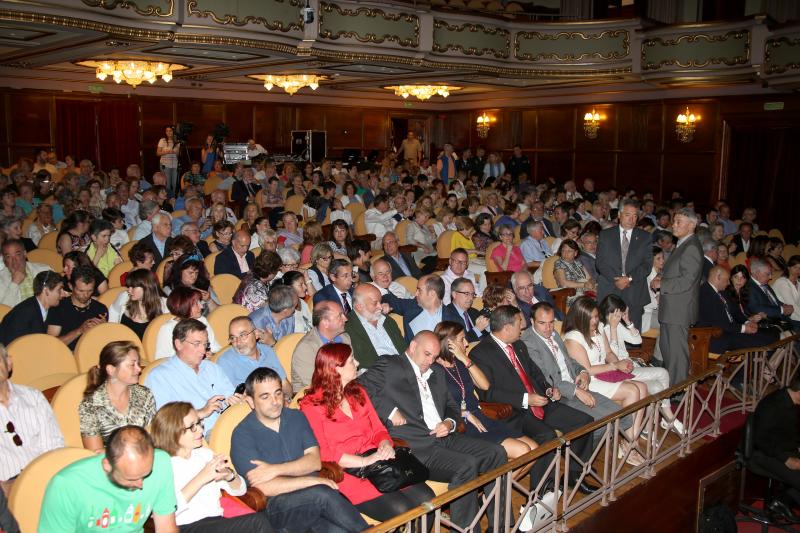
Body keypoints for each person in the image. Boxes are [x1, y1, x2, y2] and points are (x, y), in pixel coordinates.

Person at [359, 331, 507, 530]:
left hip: (444, 438)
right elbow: (357, 389)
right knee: (466, 465)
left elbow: (452, 406)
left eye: (434, 356)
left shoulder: (436, 371)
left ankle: (502, 525)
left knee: (496, 453)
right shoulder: (390, 365)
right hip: (417, 447)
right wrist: (389, 410)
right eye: (426, 354)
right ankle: (468, 529)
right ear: (412, 347)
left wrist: (448, 423)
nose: (430, 361)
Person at [299, 343, 434, 521]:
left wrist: (384, 444)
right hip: (348, 472)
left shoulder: (358, 392)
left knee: (428, 498)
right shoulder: (311, 405)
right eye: (351, 360)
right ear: (336, 368)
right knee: (402, 509)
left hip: (380, 463)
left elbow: (378, 429)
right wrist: (365, 460)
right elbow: (324, 452)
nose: (357, 363)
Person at [468, 305, 596, 490]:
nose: (523, 326)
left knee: (584, 422)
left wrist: (548, 389)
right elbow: (488, 393)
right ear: (507, 328)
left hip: (540, 401)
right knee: (546, 435)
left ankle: (575, 477)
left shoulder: (519, 345)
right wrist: (526, 399)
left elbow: (535, 374)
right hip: (513, 411)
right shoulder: (480, 353)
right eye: (520, 322)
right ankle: (543, 490)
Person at [231, 367, 368, 532]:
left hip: (316, 500)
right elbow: (264, 486)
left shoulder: (296, 417)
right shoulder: (242, 435)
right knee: (323, 494)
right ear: (251, 401)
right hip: (278, 506)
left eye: (278, 393)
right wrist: (311, 481)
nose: (275, 401)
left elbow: (314, 461)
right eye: (265, 396)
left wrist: (275, 470)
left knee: (339, 530)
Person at [150, 401, 274, 532]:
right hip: (185, 526)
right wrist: (202, 477)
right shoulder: (162, 464)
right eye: (192, 427)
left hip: (216, 521)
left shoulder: (204, 454)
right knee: (257, 523)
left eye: (199, 423)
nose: (200, 430)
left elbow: (241, 491)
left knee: (260, 520)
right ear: (173, 432)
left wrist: (229, 476)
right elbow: (164, 512)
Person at [521, 302, 630, 445]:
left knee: (624, 416)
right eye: (542, 323)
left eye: (551, 322)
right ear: (532, 321)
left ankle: (602, 450)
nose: (548, 328)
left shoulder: (553, 334)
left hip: (576, 385)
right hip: (560, 396)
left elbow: (570, 360)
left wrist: (583, 372)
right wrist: (576, 391)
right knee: (600, 425)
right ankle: (583, 461)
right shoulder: (528, 343)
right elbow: (545, 379)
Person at [39, 426, 178, 531]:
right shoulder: (66, 485)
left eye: (146, 474)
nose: (141, 484)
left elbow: (166, 527)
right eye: (131, 479)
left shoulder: (161, 463)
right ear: (107, 465)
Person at [563, 297, 647, 465]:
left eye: (596, 316)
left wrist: (619, 364)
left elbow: (608, 352)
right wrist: (615, 366)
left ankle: (630, 441)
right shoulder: (573, 338)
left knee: (642, 387)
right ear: (580, 317)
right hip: (589, 380)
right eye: (591, 317)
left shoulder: (599, 327)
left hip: (605, 373)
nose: (595, 320)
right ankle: (628, 446)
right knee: (632, 391)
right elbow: (587, 370)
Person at [434, 322, 538, 458]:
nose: (466, 343)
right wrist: (465, 414)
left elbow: (484, 385)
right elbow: (438, 407)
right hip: (463, 424)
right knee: (523, 451)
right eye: (462, 339)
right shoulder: (435, 371)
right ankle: (497, 480)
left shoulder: (461, 363)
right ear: (449, 344)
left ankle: (499, 480)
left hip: (481, 417)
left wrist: (465, 359)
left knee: (534, 449)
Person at [598, 294, 685, 434]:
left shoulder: (618, 325)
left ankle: (645, 427)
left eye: (621, 314)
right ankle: (669, 418)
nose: (620, 316)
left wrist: (628, 323)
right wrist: (613, 329)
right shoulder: (601, 328)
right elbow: (612, 358)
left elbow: (637, 341)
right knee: (663, 373)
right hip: (619, 371)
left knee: (656, 387)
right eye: (619, 313)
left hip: (630, 366)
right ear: (610, 312)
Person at [146, 318, 242, 437]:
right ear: (178, 344)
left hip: (231, 426)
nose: (203, 350)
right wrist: (201, 412)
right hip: (196, 437)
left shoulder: (213, 368)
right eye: (197, 344)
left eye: (205, 344)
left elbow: (230, 397)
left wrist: (236, 401)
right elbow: (164, 423)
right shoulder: (159, 376)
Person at [0, 343, 64, 496]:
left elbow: (54, 448)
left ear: (8, 363)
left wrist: (39, 478)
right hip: (6, 491)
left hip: (45, 480)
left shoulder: (33, 397)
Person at [79, 341, 156, 452]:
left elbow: (153, 438)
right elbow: (96, 453)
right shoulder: (91, 405)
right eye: (132, 364)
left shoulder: (145, 395)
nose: (139, 369)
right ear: (111, 369)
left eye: (138, 364)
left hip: (144, 457)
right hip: (110, 466)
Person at [657, 208, 703, 384]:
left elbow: (687, 281)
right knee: (669, 350)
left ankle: (678, 390)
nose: (673, 225)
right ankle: (673, 386)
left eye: (678, 222)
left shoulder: (690, 247)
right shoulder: (684, 243)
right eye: (674, 221)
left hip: (679, 309)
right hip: (673, 308)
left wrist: (663, 284)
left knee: (677, 353)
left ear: (692, 225)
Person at [595, 199, 653, 329]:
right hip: (610, 288)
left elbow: (646, 265)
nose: (631, 219)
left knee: (632, 335)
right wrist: (617, 279)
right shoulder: (605, 235)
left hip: (634, 290)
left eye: (634, 216)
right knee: (607, 332)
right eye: (628, 215)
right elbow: (600, 262)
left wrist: (628, 278)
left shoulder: (645, 237)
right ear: (619, 215)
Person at [697, 266, 776, 353]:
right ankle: (754, 365)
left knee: (770, 335)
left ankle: (762, 364)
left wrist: (747, 322)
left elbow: (735, 311)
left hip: (730, 331)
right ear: (718, 277)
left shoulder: (721, 291)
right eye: (727, 280)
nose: (728, 283)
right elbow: (719, 324)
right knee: (763, 341)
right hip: (718, 337)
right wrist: (744, 328)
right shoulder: (705, 293)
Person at [750, 378, 800, 516]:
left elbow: (790, 434)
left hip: (783, 450)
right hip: (764, 454)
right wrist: (787, 459)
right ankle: (784, 500)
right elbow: (760, 440)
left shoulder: (793, 404)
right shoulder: (772, 406)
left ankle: (784, 500)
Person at [216, 316, 292, 398]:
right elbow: (232, 402)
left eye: (243, 335)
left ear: (256, 334)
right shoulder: (225, 362)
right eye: (233, 338)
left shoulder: (267, 351)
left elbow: (284, 384)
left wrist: (287, 400)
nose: (238, 342)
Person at [291, 301, 351, 391]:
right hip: (315, 397)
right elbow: (316, 386)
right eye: (340, 316)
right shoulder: (306, 349)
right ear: (325, 323)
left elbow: (352, 371)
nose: (345, 319)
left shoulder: (344, 338)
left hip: (343, 389)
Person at [344, 283, 406, 369]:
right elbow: (362, 365)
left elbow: (403, 349)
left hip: (404, 368)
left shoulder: (387, 320)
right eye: (374, 303)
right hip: (379, 375)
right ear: (359, 306)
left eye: (380, 302)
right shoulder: (347, 328)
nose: (380, 307)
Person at [46, 265, 108, 350]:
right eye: (81, 291)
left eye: (90, 291)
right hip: (66, 356)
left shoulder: (100, 309)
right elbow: (51, 343)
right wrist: (80, 330)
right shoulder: (58, 308)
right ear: (71, 286)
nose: (86, 295)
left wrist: (105, 329)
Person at [0, 270, 63, 345]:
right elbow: (13, 346)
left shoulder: (51, 310)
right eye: (59, 290)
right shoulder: (24, 312)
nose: (63, 294)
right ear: (46, 291)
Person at [155, 287, 221, 359]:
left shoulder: (202, 320)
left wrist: (212, 354)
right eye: (196, 304)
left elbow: (215, 347)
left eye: (199, 302)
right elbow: (161, 360)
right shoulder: (168, 328)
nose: (201, 306)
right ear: (184, 307)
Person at [109, 269, 168, 339]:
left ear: (147, 287)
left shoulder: (164, 305)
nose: (129, 290)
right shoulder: (124, 297)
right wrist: (112, 332)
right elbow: (113, 311)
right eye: (129, 286)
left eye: (133, 287)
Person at [747, 258, 798, 331]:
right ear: (757, 273)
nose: (770, 277)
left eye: (771, 274)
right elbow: (757, 309)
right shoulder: (749, 288)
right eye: (768, 274)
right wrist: (782, 310)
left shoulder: (764, 284)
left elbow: (775, 302)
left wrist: (785, 306)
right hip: (769, 324)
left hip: (782, 320)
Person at [0, 239, 50, 307]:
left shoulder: (44, 270)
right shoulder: (1, 279)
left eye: (17, 255)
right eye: (8, 257)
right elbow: (3, 311)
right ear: (4, 260)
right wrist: (14, 283)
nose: (14, 261)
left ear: (25, 254)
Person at [444, 277, 489, 343]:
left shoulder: (474, 312)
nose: (471, 298)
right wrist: (477, 329)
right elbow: (458, 342)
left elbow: (487, 335)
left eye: (472, 294)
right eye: (466, 294)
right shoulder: (447, 315)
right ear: (454, 294)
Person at [554, 239, 596, 306]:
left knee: (603, 292)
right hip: (570, 294)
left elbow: (589, 278)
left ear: (575, 253)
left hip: (584, 291)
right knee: (593, 300)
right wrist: (584, 284)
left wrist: (590, 283)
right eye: (563, 250)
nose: (565, 253)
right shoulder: (559, 263)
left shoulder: (578, 262)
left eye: (569, 251)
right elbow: (563, 283)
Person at [772, 255, 800, 325]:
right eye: (795, 267)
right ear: (788, 268)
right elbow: (792, 305)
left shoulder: (798, 282)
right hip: (785, 317)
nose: (798, 271)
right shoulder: (782, 282)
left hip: (796, 315)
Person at [158, 125, 181, 197]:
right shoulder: (162, 140)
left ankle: (174, 199)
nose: (168, 132)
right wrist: (167, 152)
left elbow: (179, 155)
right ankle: (167, 200)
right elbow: (158, 153)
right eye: (167, 131)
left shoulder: (177, 141)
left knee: (175, 184)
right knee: (167, 184)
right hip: (165, 165)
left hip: (175, 165)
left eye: (170, 131)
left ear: (173, 132)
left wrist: (176, 152)